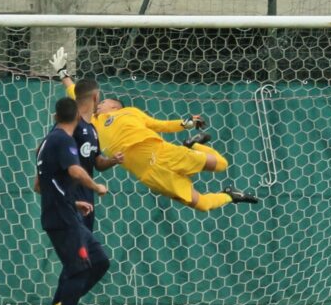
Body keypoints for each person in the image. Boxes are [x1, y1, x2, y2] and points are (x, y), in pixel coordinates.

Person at [50, 47, 258, 212]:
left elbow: (161, 125)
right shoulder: (91, 122)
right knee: (202, 205)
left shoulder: (131, 113)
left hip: (163, 153)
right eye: (99, 100)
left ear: (115, 106)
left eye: (105, 101)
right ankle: (230, 195)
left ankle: (193, 144)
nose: (100, 103)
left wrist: (186, 124)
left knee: (221, 164)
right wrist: (62, 73)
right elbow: (74, 92)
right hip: (149, 174)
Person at [42, 75, 123, 305]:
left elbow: (96, 162)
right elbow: (52, 157)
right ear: (96, 98)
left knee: (80, 260)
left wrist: (113, 160)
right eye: (104, 101)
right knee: (81, 260)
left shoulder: (92, 129)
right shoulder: (69, 129)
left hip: (85, 202)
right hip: (70, 201)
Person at [35, 97, 111, 305]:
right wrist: (96, 186)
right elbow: (76, 170)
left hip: (68, 212)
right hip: (62, 218)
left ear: (55, 116)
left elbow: (40, 185)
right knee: (79, 268)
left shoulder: (48, 141)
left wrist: (73, 201)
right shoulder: (62, 140)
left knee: (99, 261)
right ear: (77, 117)